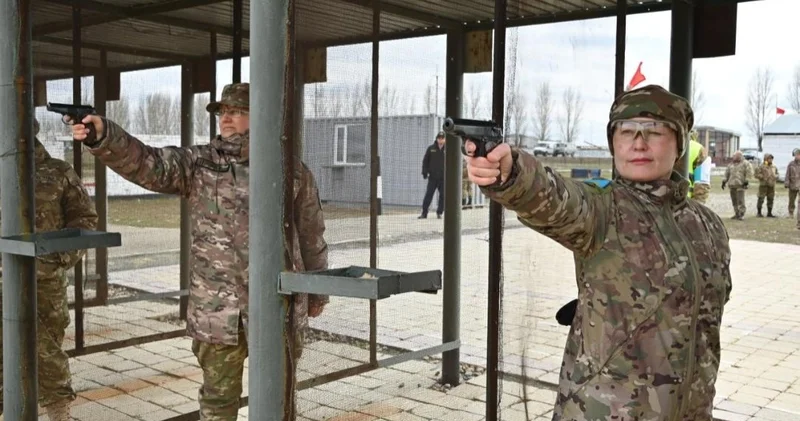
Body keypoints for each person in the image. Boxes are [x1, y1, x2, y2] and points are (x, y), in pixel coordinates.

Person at [464, 85, 732, 421]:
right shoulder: (604, 209)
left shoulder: (707, 225)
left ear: (679, 144)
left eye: (655, 131)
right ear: (613, 143)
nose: (638, 142)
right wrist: (510, 173)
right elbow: (553, 196)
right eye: (626, 131)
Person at [68, 83, 329, 421]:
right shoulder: (200, 164)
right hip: (217, 312)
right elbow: (148, 163)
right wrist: (103, 136)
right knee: (218, 403)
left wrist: (317, 289)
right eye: (223, 112)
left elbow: (311, 232)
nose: (227, 119)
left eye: (237, 112)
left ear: (260, 116)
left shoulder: (290, 169)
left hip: (276, 307)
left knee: (278, 402)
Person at [0, 119, 98, 421]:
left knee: (47, 354)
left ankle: (59, 414)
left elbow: (85, 219)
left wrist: (57, 259)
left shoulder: (57, 172)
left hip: (44, 284)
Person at [419, 131, 446, 219]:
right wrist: (424, 172)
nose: (441, 140)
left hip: (443, 178)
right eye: (439, 138)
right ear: (437, 139)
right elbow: (425, 161)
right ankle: (424, 213)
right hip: (433, 177)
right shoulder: (431, 148)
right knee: (428, 195)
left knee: (443, 196)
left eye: (442, 138)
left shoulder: (448, 149)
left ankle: (439, 212)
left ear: (445, 139)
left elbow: (452, 163)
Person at [722, 151, 752, 220]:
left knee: (740, 200)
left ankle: (741, 214)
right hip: (732, 185)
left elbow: (749, 172)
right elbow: (727, 173)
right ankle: (736, 213)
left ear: (739, 156)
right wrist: (724, 181)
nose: (733, 157)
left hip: (740, 185)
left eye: (735, 156)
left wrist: (747, 180)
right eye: (734, 156)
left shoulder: (745, 164)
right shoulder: (731, 165)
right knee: (734, 200)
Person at [687, 131, 711, 204]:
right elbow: (702, 182)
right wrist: (697, 207)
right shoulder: (698, 148)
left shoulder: (660, 143)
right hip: (686, 202)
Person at [754, 153, 779, 217]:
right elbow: (756, 175)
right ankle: (759, 213)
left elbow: (777, 174)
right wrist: (762, 177)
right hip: (763, 185)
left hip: (771, 185)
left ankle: (769, 213)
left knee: (771, 199)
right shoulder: (761, 166)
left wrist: (776, 176)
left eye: (771, 158)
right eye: (769, 158)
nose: (770, 160)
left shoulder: (774, 166)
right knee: (761, 199)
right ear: (765, 159)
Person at [785, 148, 800, 223]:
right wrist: (787, 183)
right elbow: (787, 174)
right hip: (793, 185)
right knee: (791, 200)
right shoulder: (791, 164)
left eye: (799, 155)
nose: (798, 156)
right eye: (796, 155)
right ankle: (791, 213)